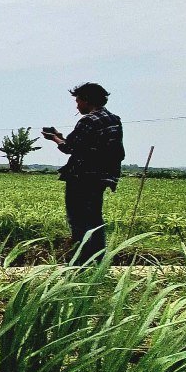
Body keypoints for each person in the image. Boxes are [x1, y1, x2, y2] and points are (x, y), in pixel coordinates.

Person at [41, 83, 124, 263]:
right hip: (101, 178)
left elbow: (70, 148)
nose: (77, 106)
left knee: (79, 222)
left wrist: (54, 138)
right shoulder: (114, 119)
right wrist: (62, 136)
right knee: (95, 219)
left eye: (78, 101)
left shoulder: (88, 120)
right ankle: (98, 261)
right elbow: (90, 146)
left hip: (82, 178)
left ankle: (81, 264)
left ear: (87, 100)